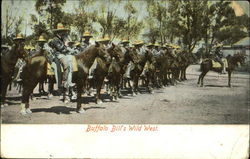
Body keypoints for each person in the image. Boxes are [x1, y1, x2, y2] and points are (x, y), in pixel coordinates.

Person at [47, 23, 75, 93]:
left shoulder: (61, 39)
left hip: (63, 53)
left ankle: (71, 81)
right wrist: (65, 45)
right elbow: (61, 49)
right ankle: (64, 82)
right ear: (58, 32)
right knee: (66, 64)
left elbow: (66, 48)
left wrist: (72, 50)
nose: (63, 33)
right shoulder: (55, 39)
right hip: (58, 55)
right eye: (62, 31)